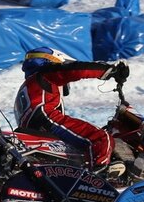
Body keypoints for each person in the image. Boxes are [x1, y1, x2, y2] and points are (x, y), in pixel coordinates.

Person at [13, 47, 130, 175]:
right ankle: (98, 175)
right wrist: (109, 70)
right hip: (47, 119)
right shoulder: (45, 73)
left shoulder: (26, 86)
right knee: (100, 138)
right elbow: (75, 70)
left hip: (33, 131)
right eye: (62, 64)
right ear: (52, 62)